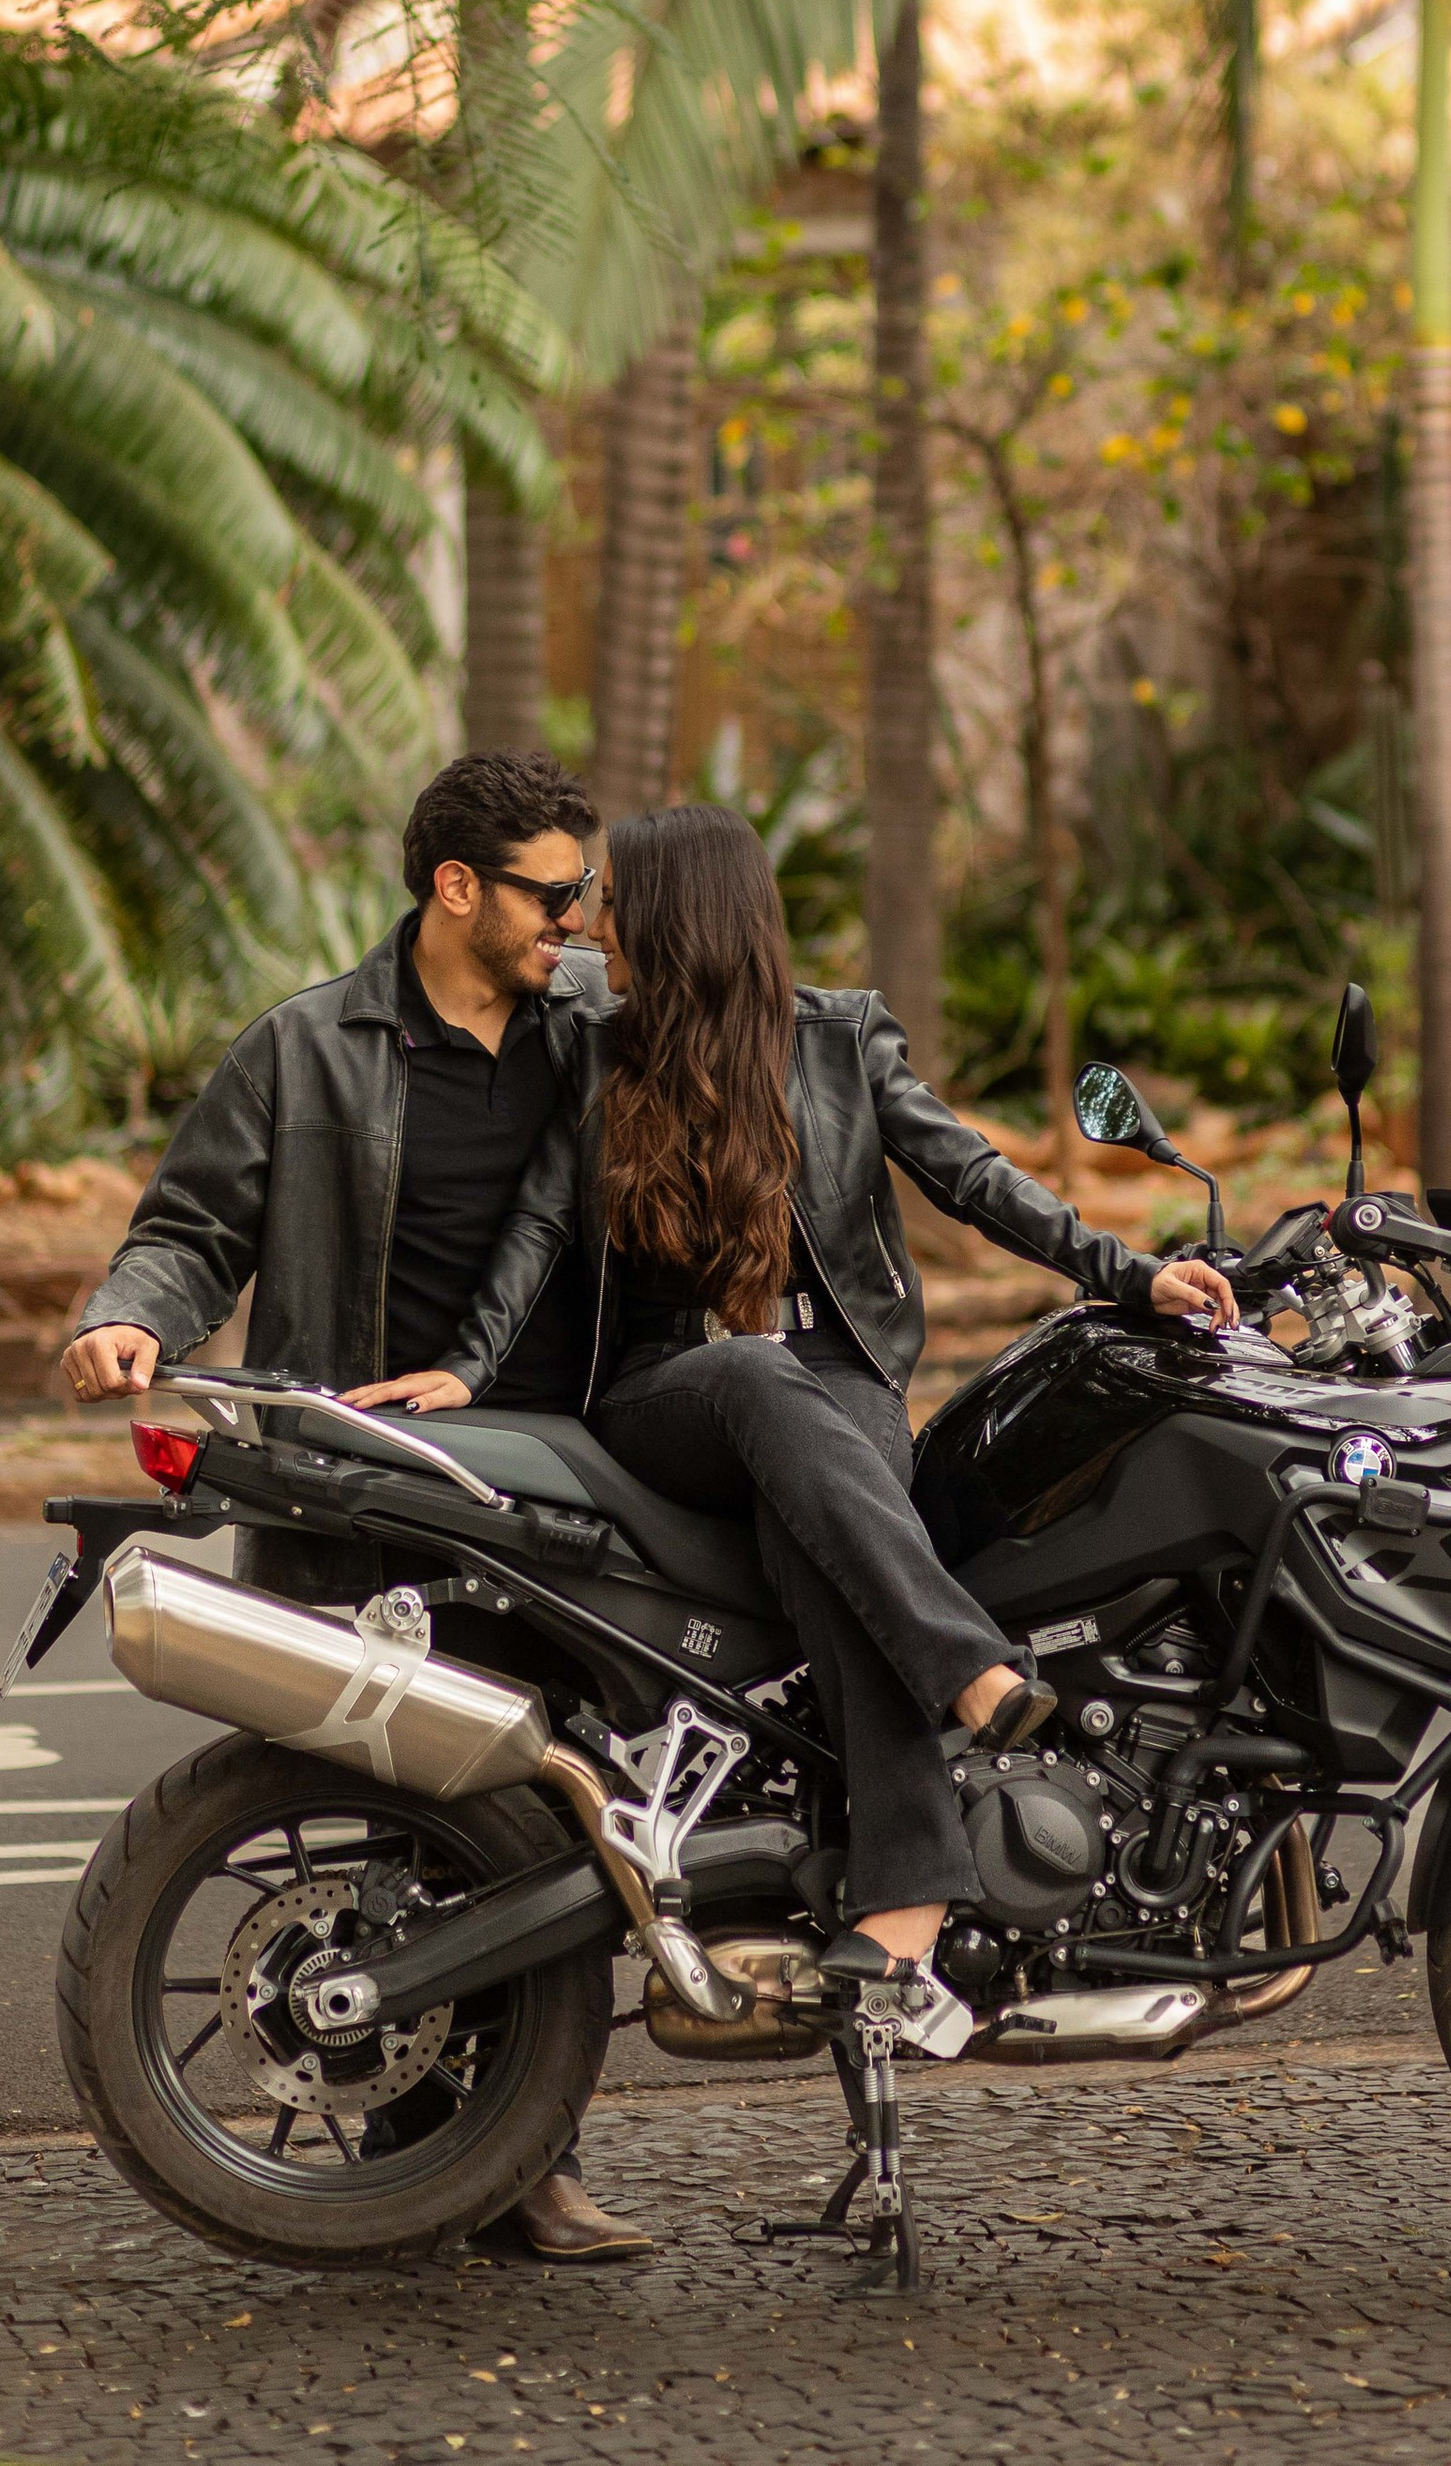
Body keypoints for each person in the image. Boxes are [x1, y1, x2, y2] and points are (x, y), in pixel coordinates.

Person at [60, 746, 642, 2262]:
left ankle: (524, 2155)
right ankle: (432, 2155)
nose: (577, 917)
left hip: (571, 1485)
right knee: (413, 1827)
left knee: (559, 1820)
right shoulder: (306, 1048)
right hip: (372, 1489)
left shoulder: (599, 1028)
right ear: (456, 887)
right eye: (553, 892)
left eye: (586, 891)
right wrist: (131, 1318)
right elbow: (193, 1228)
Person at [571, 799, 1238, 2045]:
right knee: (754, 1376)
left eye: (609, 899)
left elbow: (970, 1175)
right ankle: (969, 1673)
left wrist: (1128, 1270)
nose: (590, 922)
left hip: (838, 1381)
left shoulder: (838, 1037)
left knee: (821, 1529)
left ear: (672, 914)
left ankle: (896, 1917)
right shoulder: (595, 1051)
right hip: (674, 1387)